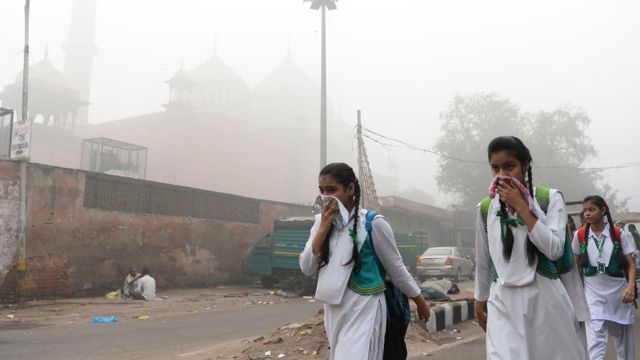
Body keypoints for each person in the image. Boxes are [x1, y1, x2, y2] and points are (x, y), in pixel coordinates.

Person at [299, 163, 430, 360]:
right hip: (334, 310)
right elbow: (307, 267)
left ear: (350, 189)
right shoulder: (320, 223)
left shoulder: (373, 223)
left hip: (365, 307)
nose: (326, 196)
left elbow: (396, 269)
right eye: (322, 190)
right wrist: (324, 227)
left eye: (332, 190)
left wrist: (419, 301)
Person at [474, 136, 588, 359]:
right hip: (502, 302)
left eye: (509, 166)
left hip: (545, 300)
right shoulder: (485, 208)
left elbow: (554, 249)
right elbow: (484, 260)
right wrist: (480, 300)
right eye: (495, 168)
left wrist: (523, 208)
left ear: (525, 165)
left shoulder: (549, 199)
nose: (502, 175)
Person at [573, 196, 636, 360]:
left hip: (619, 295)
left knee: (625, 344)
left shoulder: (618, 234)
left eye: (591, 209)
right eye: (585, 210)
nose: (587, 213)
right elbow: (574, 266)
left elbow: (630, 264)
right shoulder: (580, 235)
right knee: (595, 342)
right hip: (593, 296)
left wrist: (630, 287)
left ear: (603, 210)